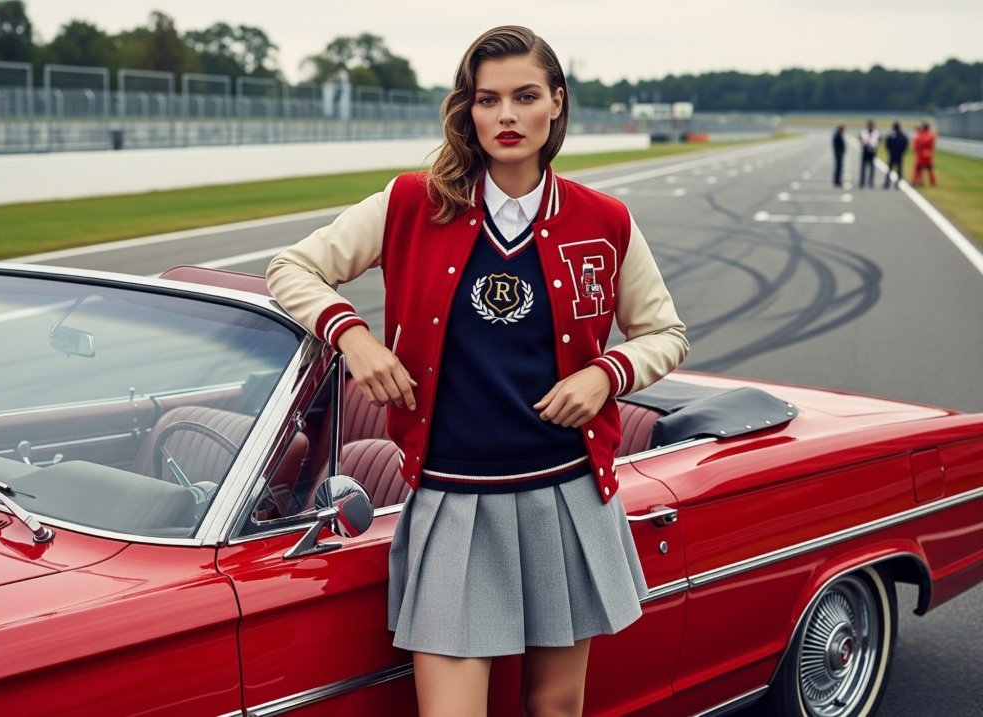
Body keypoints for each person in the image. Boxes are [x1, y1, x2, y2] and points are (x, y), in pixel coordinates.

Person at [266, 25, 688, 717]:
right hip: (452, 496)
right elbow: (292, 266)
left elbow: (666, 332)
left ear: (557, 102)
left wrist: (606, 374)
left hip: (566, 492)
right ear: (469, 110)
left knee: (555, 707)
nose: (507, 116)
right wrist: (355, 339)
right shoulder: (411, 202)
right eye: (488, 100)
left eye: (525, 96)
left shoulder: (605, 219)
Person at [883, 122, 908, 189]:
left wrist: (890, 151)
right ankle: (894, 183)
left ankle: (889, 183)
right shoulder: (900, 135)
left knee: (893, 169)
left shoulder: (893, 135)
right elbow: (905, 144)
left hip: (894, 154)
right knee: (897, 170)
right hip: (897, 154)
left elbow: (887, 144)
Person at [912, 120, 937, 187]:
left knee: (918, 169)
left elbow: (916, 145)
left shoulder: (919, 135)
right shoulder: (931, 135)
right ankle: (932, 182)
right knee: (930, 170)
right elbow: (933, 144)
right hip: (928, 155)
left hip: (920, 156)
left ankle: (916, 181)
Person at [859, 119, 880, 188]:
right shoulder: (863, 132)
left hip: (872, 151)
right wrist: (866, 142)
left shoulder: (876, 133)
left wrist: (873, 144)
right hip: (865, 150)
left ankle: (871, 181)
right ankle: (862, 181)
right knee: (863, 167)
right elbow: (861, 140)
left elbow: (878, 141)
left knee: (872, 168)